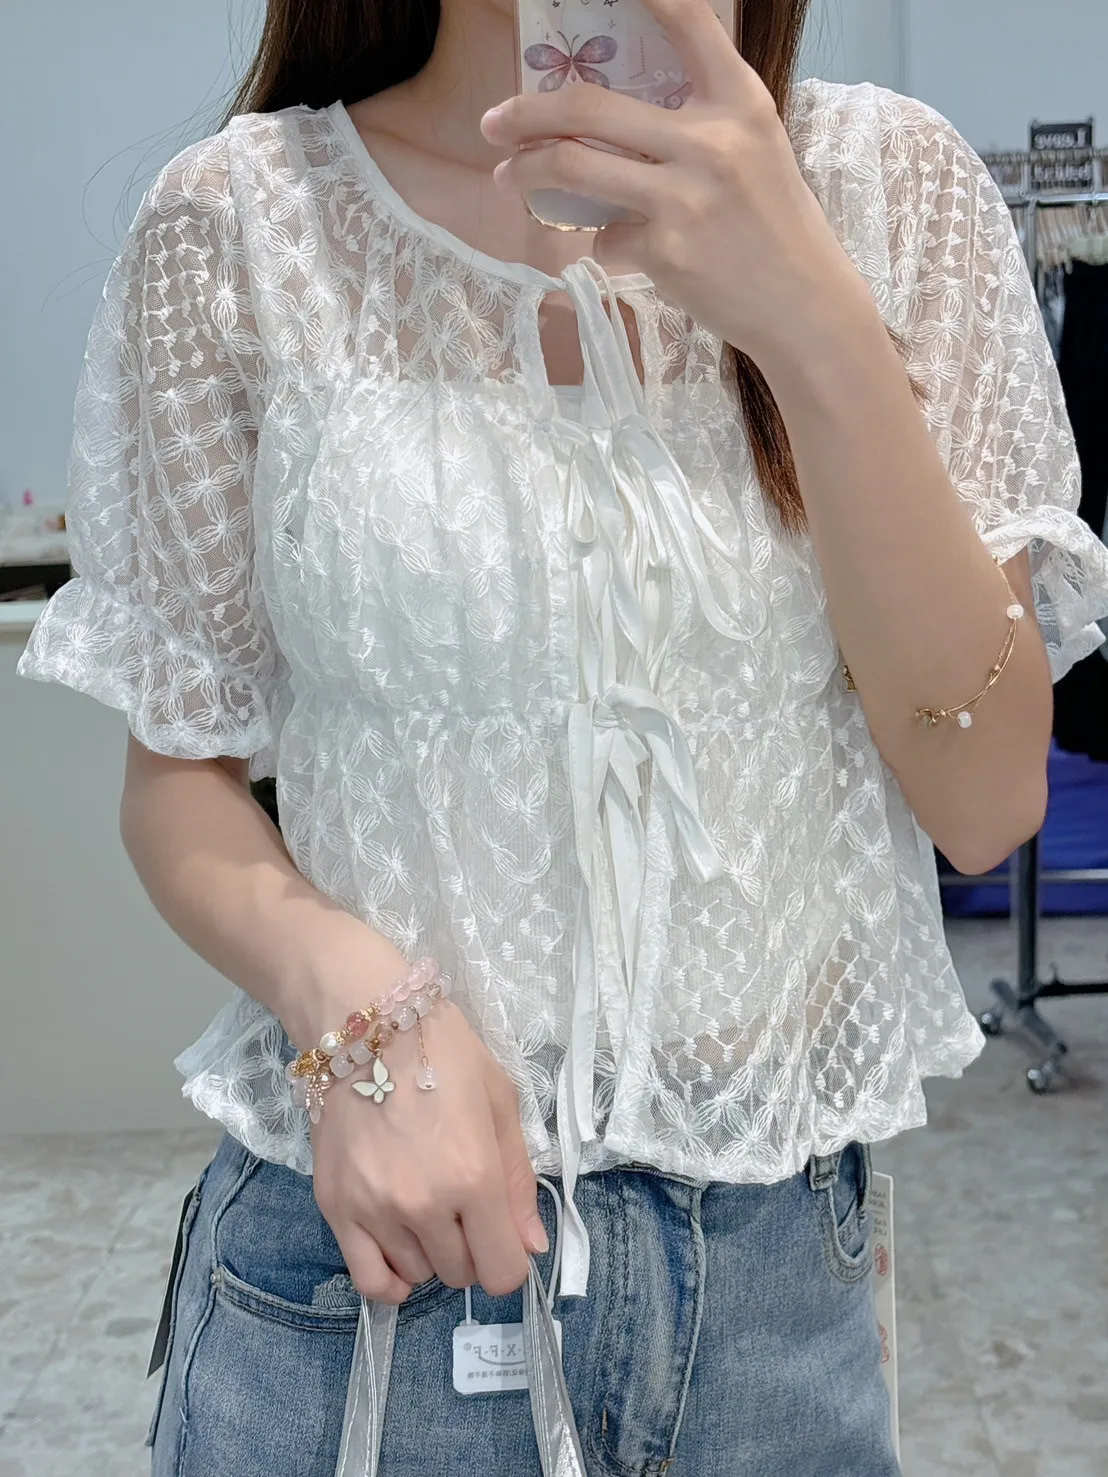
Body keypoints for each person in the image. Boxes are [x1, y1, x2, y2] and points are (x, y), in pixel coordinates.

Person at [19, 0, 1108, 1472]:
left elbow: (984, 798)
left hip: (775, 1291)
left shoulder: (886, 188)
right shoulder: (245, 221)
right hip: (373, 1273)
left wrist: (808, 314)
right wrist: (353, 1001)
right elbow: (177, 780)